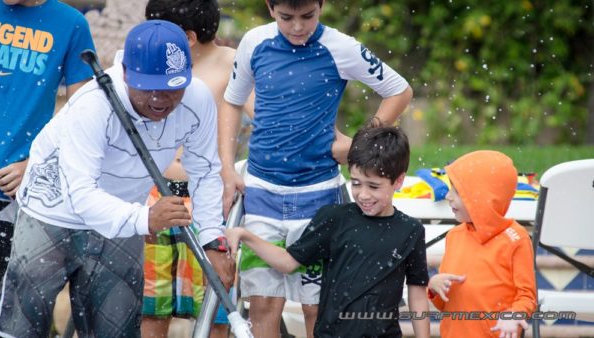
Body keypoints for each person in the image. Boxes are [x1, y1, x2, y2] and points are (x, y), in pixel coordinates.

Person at [0, 20, 228, 337]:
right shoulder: (93, 105)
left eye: (173, 87)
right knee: (21, 328)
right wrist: (145, 219)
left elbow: (205, 172)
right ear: (127, 72)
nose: (162, 99)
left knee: (116, 329)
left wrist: (213, 240)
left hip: (122, 213)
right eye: (150, 87)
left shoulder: (196, 100)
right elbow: (83, 195)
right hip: (51, 209)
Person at [218, 0, 413, 336]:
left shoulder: (341, 47)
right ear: (270, 8)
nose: (297, 27)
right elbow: (233, 102)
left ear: (321, 6)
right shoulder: (254, 42)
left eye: (307, 16)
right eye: (286, 18)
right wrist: (227, 169)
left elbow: (399, 91)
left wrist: (360, 145)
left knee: (318, 308)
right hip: (261, 194)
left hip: (319, 198)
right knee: (263, 305)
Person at [226, 126, 430, 338]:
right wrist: (244, 235)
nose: (363, 195)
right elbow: (288, 262)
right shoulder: (335, 218)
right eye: (357, 183)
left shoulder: (411, 231)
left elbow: (417, 294)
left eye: (374, 186)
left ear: (398, 181)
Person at [141, 1, 253, 337]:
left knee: (214, 308)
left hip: (208, 198)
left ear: (188, 38)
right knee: (152, 307)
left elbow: (268, 119)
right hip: (154, 196)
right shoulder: (149, 61)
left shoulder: (231, 64)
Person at [0, 0, 95, 304]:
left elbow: (82, 115)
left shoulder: (71, 24)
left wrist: (36, 165)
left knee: (4, 300)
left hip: (12, 185)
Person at [427, 150, 537, 338]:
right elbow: (446, 303)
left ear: (484, 197)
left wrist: (513, 315)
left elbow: (527, 296)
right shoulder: (454, 236)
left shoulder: (516, 238)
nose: (448, 196)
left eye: (458, 191)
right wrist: (434, 287)